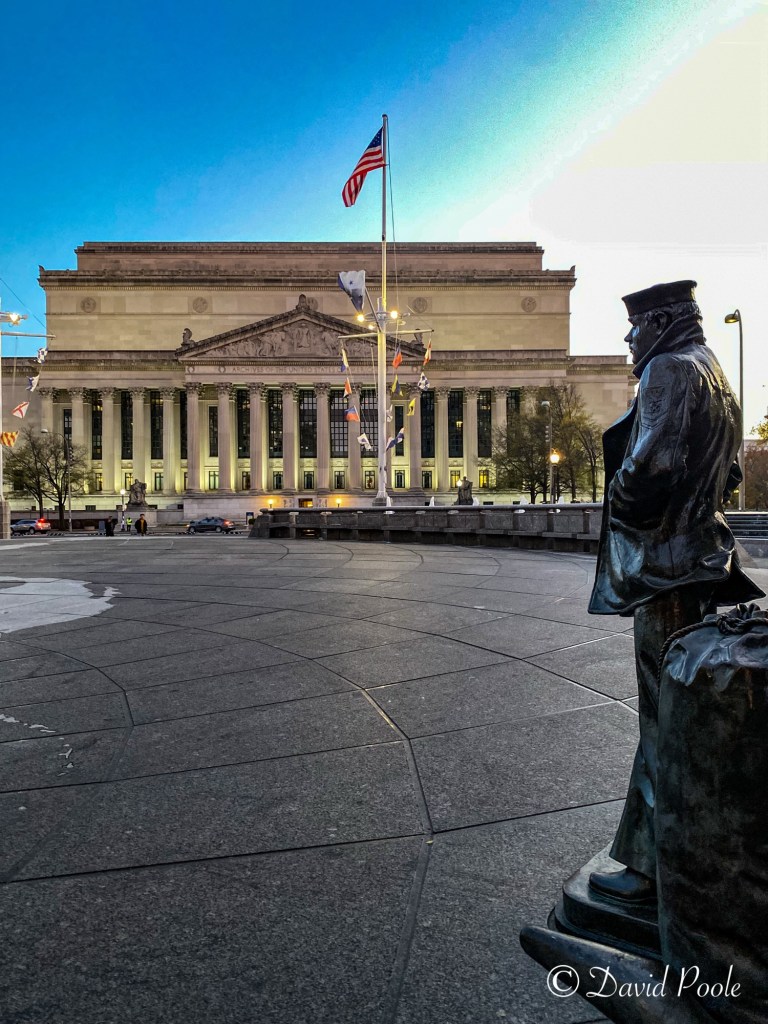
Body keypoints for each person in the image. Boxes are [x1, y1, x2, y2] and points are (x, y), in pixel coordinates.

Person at [587, 279, 763, 903]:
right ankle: (676, 851)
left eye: (634, 328)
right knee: (683, 712)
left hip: (667, 567)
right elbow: (734, 467)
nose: (628, 341)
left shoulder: (667, 369)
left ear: (660, 322)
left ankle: (653, 866)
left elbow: (649, 470)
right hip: (704, 560)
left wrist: (621, 500)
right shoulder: (712, 368)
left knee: (663, 717)